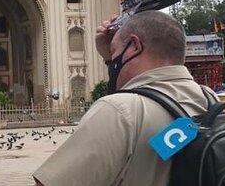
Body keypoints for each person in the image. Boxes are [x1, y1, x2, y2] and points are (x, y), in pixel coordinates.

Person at [33, 11, 211, 186]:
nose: (113, 61)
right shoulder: (212, 101)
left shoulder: (120, 112)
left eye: (114, 51)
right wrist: (111, 58)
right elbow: (159, 150)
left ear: (135, 46)